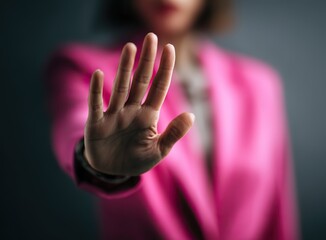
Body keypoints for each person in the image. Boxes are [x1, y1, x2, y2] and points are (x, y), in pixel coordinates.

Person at [45, 0, 299, 239]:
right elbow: (75, 123)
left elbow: (277, 214)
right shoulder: (81, 68)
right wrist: (91, 160)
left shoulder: (260, 84)